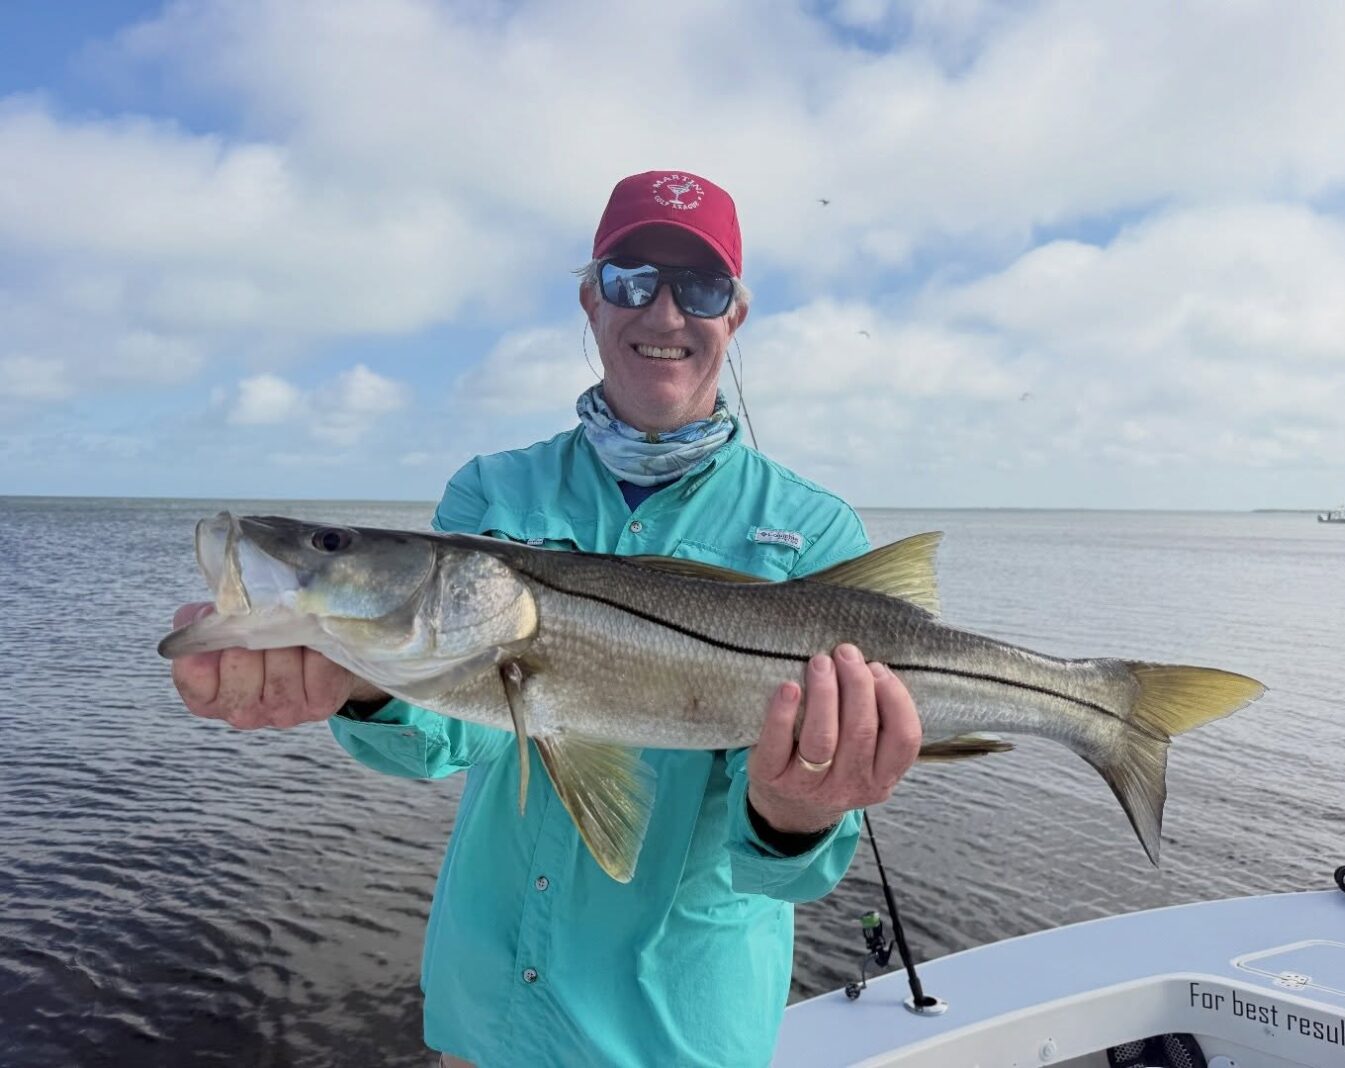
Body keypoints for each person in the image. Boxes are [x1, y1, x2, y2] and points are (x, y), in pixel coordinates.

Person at [170, 170, 923, 1067]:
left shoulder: (818, 532)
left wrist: (794, 813)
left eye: (701, 287)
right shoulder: (496, 489)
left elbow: (787, 872)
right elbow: (464, 739)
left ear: (736, 316)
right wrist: (363, 687)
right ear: (590, 301)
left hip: (678, 1032)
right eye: (631, 280)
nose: (664, 313)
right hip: (487, 1015)